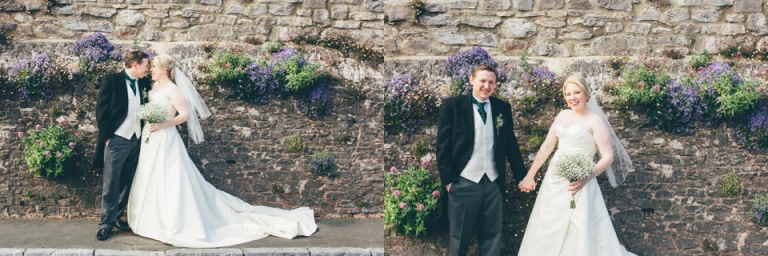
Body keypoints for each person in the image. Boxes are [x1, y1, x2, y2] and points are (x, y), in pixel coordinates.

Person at [126, 54, 317, 248]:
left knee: (170, 179)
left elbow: (185, 115)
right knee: (150, 175)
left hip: (166, 138)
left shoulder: (173, 89)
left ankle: (170, 222)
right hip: (151, 137)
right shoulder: (154, 88)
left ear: (164, 70)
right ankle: (150, 219)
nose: (151, 70)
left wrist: (164, 123)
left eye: (154, 67)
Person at [517, 74, 635, 255]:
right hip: (554, 182)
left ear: (585, 93)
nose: (572, 98)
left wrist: (586, 178)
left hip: (581, 183)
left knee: (578, 225)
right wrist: (530, 174)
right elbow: (548, 146)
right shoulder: (562, 115)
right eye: (568, 94)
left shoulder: (595, 121)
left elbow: (608, 157)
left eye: (576, 92)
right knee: (547, 222)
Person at [436, 63, 527, 256]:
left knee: (492, 236)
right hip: (463, 183)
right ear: (472, 80)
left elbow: (511, 145)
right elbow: (442, 147)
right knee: (459, 238)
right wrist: (449, 183)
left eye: (491, 82)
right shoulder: (452, 106)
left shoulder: (502, 108)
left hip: (493, 183)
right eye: (482, 81)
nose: (487, 86)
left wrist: (522, 177)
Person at [94, 51, 151, 241]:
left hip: (137, 138)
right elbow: (101, 110)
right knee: (111, 182)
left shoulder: (143, 82)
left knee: (127, 181)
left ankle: (117, 217)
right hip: (117, 138)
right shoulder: (111, 81)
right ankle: (105, 224)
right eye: (145, 66)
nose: (147, 69)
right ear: (135, 65)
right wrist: (107, 138)